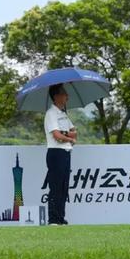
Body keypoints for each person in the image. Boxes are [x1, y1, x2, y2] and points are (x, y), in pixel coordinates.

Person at [44, 83, 77, 226]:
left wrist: (68, 135)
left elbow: (74, 131)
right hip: (56, 152)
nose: (67, 96)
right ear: (56, 96)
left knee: (64, 187)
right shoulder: (51, 113)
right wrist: (69, 137)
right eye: (64, 94)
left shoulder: (63, 114)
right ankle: (53, 219)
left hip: (66, 152)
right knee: (56, 186)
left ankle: (60, 217)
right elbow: (57, 135)